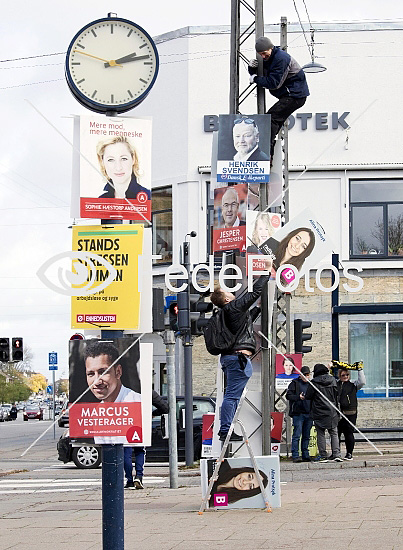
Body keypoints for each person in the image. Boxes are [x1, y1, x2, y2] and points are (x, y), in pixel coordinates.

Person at [210, 268, 271, 441]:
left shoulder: (228, 313)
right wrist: (266, 273)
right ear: (226, 299)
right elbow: (253, 293)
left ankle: (227, 429)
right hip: (237, 359)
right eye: (227, 292)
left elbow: (243, 325)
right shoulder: (232, 308)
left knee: (233, 395)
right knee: (231, 396)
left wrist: (257, 309)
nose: (231, 292)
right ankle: (225, 430)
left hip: (234, 358)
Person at [248, 36, 309, 159]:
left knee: (270, 120)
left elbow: (274, 83)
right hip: (290, 95)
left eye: (264, 53)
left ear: (271, 48)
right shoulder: (270, 58)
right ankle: (269, 151)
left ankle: (266, 154)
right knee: (273, 121)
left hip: (294, 95)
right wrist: (252, 69)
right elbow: (262, 74)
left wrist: (255, 78)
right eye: (260, 55)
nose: (263, 57)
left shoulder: (281, 59)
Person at [84, 340, 141, 445]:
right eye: (91, 374)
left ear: (118, 372)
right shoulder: (97, 413)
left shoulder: (137, 403)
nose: (97, 381)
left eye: (103, 372)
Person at [124, 390, 169, 489]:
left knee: (126, 452)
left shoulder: (123, 388)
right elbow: (165, 408)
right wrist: (152, 413)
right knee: (140, 451)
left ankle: (129, 480)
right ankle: (139, 477)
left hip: (125, 423)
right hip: (141, 423)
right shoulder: (147, 389)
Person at [304, 363, 342, 462]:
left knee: (320, 433)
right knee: (333, 432)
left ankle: (323, 455)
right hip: (332, 410)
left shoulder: (314, 382)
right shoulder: (332, 380)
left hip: (318, 411)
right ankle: (336, 454)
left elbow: (308, 396)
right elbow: (337, 393)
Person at [96, 135, 151, 200]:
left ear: (133, 159)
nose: (118, 167)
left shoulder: (148, 197)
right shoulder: (100, 200)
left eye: (124, 159)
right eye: (111, 160)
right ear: (102, 162)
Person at [337, 366, 366, 460]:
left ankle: (349, 453)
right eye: (343, 375)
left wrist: (360, 370)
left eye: (347, 375)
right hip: (339, 413)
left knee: (348, 432)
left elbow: (362, 382)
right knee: (336, 433)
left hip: (350, 413)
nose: (345, 376)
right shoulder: (336, 385)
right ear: (339, 376)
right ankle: (336, 453)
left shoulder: (353, 384)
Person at [286, 366, 313, 463]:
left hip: (309, 413)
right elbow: (288, 396)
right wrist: (298, 397)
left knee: (306, 435)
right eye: (304, 375)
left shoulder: (311, 384)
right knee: (297, 435)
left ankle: (305, 454)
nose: (306, 377)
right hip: (298, 413)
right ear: (300, 375)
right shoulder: (295, 383)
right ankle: (295, 455)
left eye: (307, 375)